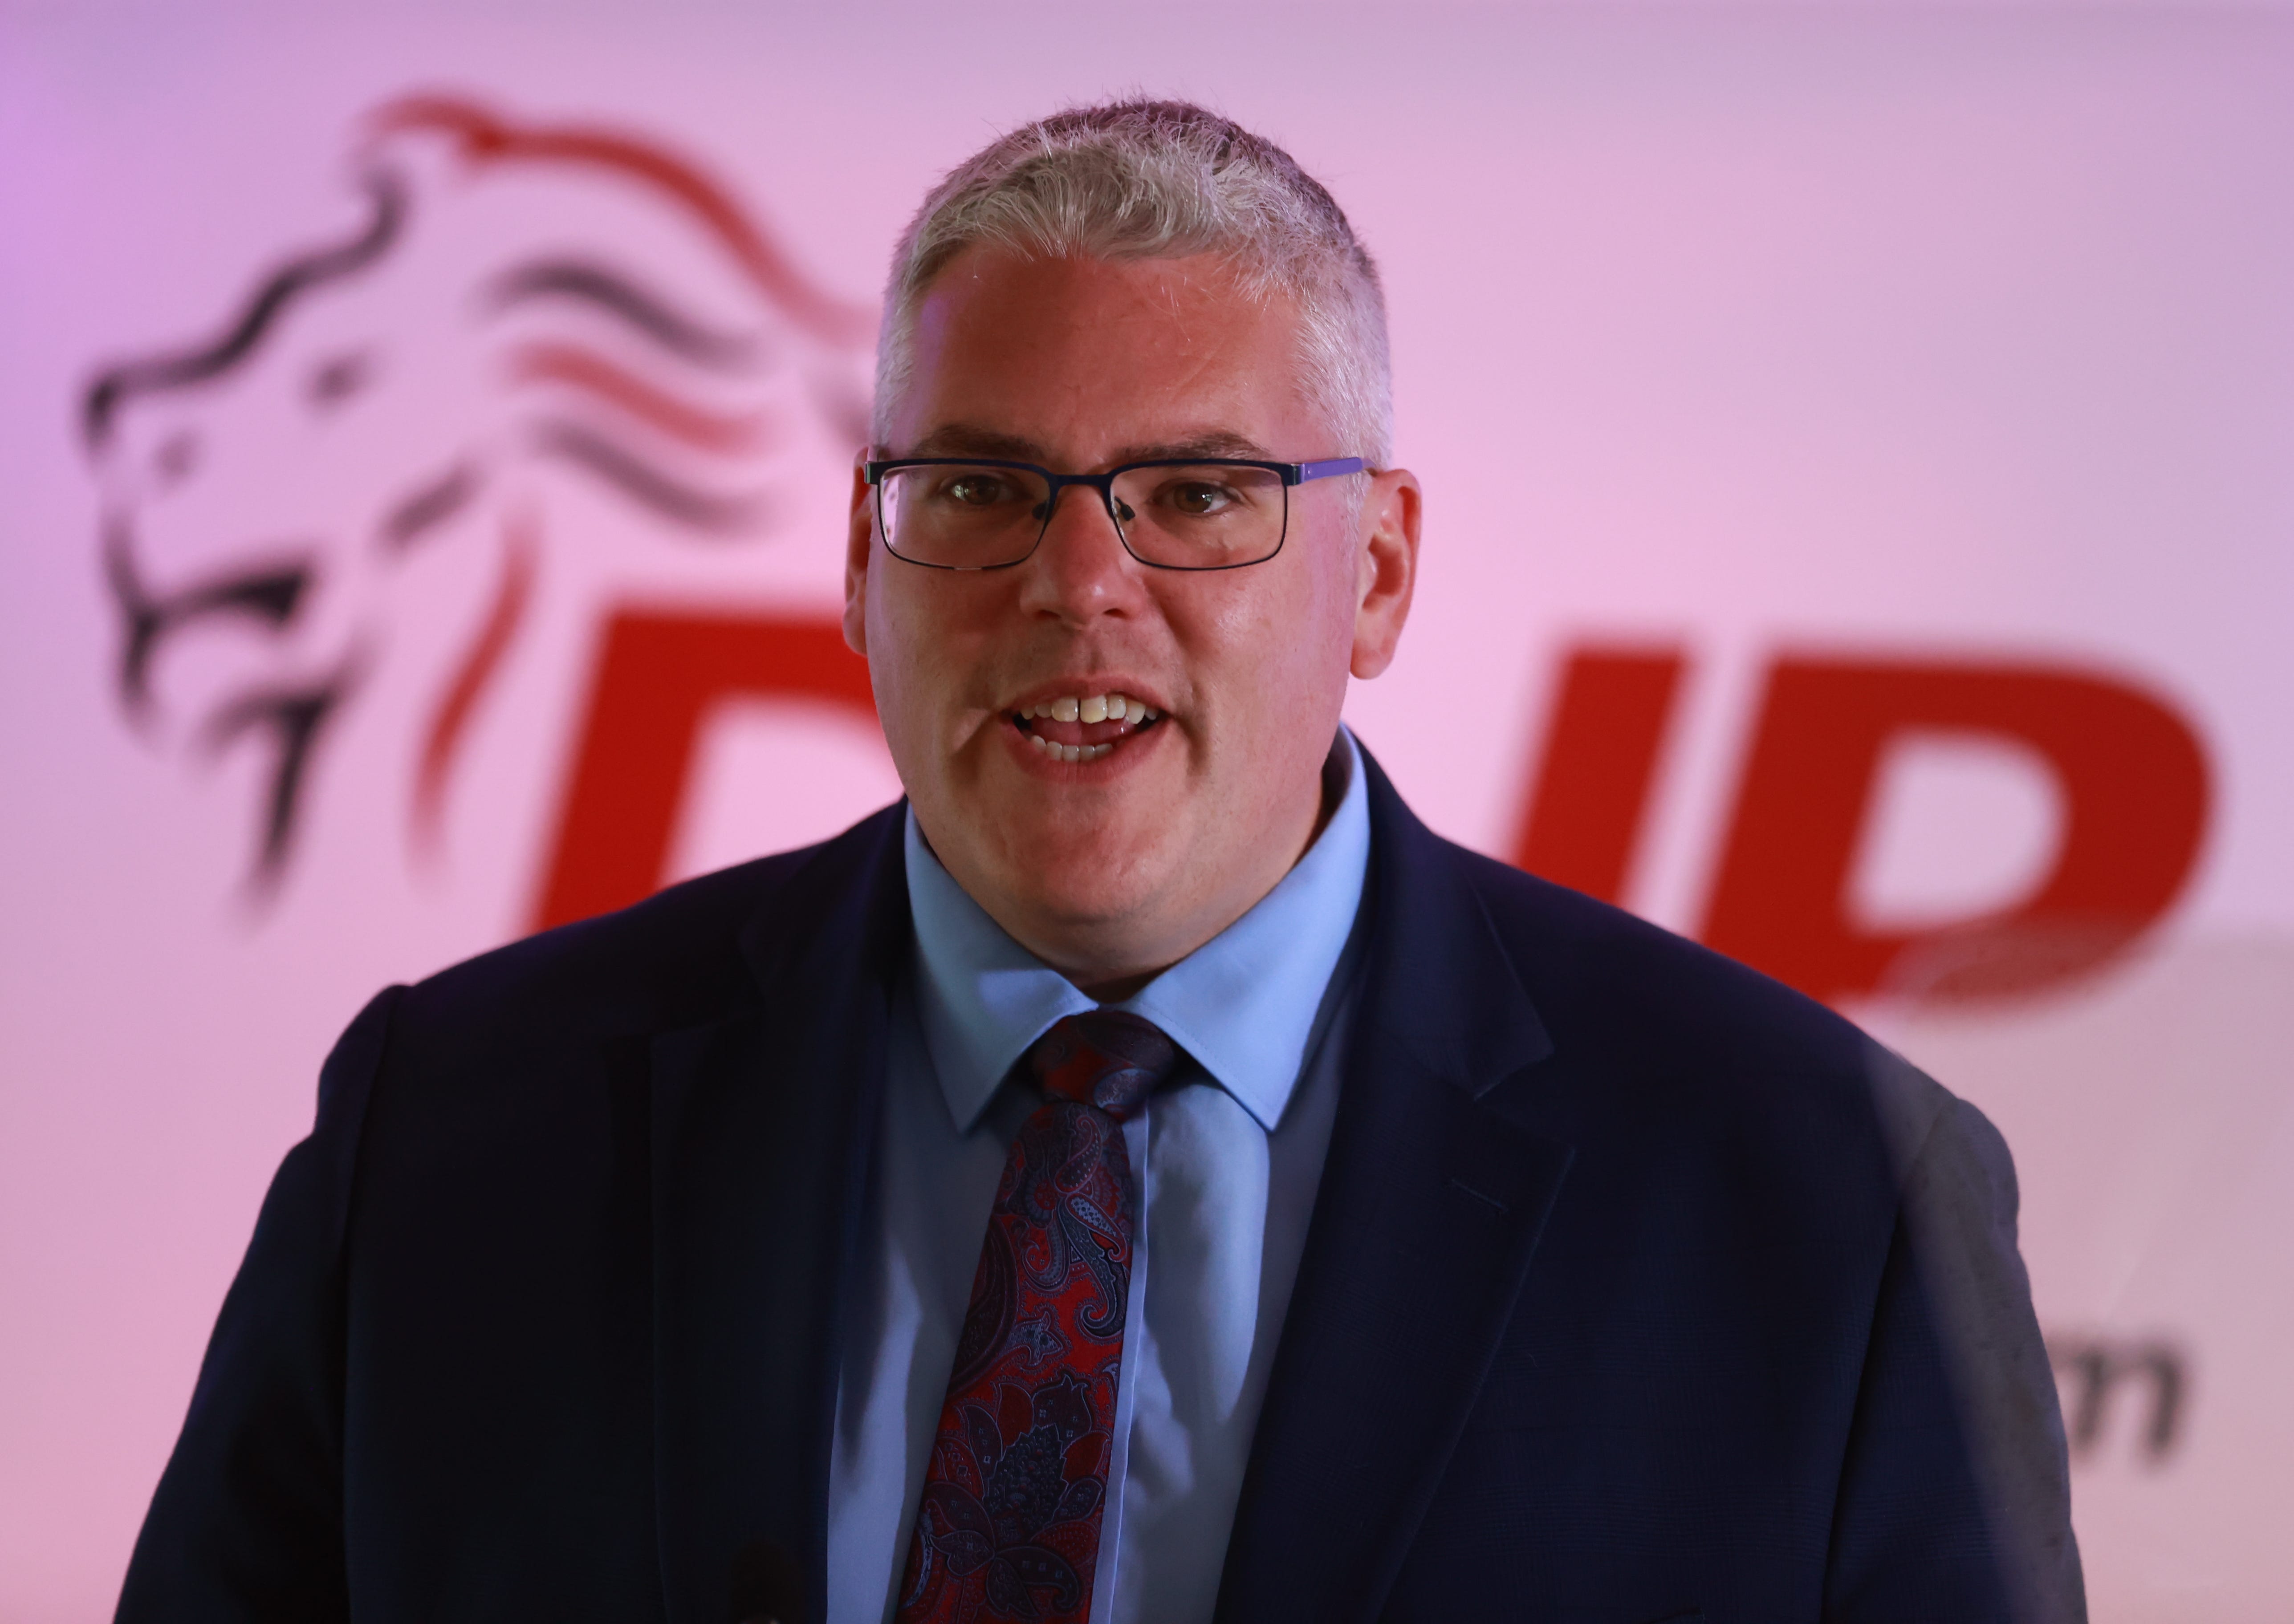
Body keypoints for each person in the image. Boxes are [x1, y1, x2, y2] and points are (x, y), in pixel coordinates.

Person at [117, 100, 2082, 1624]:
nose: (1079, 586)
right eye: (975, 487)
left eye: (1201, 495)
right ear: (861, 561)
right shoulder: (454, 1130)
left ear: (1380, 572)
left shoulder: (1826, 1201)